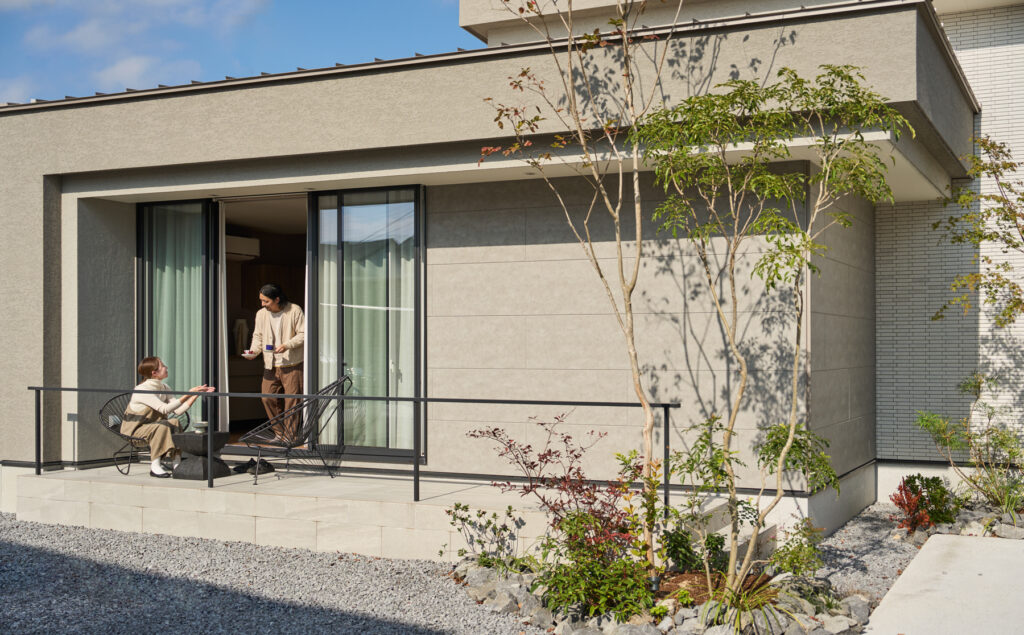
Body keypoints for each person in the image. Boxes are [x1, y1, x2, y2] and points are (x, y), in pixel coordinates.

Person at [123, 357, 214, 478]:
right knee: (161, 426)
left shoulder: (164, 387)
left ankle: (176, 462)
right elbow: (164, 409)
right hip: (135, 431)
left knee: (174, 422)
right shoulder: (142, 390)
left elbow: (178, 410)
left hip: (154, 428)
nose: (166, 367)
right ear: (154, 373)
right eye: (163, 366)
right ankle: (155, 466)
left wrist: (196, 394)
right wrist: (188, 393)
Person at [243, 282, 305, 441]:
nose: (262, 304)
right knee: (267, 397)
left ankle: (290, 436)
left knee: (292, 401)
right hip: (270, 364)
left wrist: (287, 345)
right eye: (261, 300)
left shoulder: (294, 310)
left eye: (266, 301)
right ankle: (279, 433)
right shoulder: (261, 314)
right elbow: (258, 336)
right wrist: (253, 352)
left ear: (277, 299)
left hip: (292, 364)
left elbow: (304, 334)